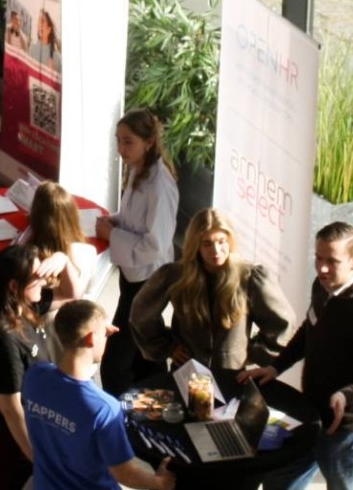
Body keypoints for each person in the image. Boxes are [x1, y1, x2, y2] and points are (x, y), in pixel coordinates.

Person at [241, 222, 353, 490]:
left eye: (332, 261)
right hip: (311, 413)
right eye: (318, 258)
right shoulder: (322, 285)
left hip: (347, 430)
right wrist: (276, 367)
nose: (322, 269)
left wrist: (345, 395)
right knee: (279, 481)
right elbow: (309, 328)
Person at [22, 300, 177, 490]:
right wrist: (160, 482)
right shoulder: (104, 409)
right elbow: (125, 473)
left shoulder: (35, 376)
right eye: (104, 333)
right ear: (91, 339)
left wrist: (99, 331)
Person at [129, 209, 291, 373]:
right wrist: (168, 347)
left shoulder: (249, 277)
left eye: (221, 241)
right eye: (207, 243)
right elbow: (141, 312)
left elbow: (281, 323)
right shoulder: (176, 274)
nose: (216, 251)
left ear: (230, 240)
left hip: (232, 376)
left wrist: (252, 354)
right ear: (195, 245)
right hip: (188, 372)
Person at [94, 109, 179, 394]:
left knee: (114, 362)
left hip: (148, 281)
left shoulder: (160, 186)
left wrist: (112, 234)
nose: (121, 149)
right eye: (118, 141)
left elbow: (154, 245)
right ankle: (155, 401)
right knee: (144, 352)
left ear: (149, 141)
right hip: (133, 276)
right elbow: (133, 218)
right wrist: (113, 221)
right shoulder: (137, 169)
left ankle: (117, 412)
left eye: (128, 141)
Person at [0, 245, 47, 490]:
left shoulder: (27, 308)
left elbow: (71, 293)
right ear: (14, 286)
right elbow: (10, 408)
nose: (44, 281)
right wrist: (36, 457)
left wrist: (62, 260)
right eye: (36, 276)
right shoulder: (4, 339)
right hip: (14, 445)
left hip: (35, 429)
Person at [18, 181, 95, 311]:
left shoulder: (30, 257)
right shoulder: (88, 251)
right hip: (73, 312)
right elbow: (89, 289)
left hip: (43, 314)